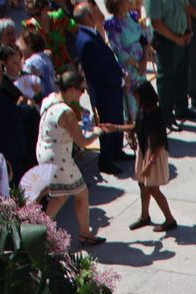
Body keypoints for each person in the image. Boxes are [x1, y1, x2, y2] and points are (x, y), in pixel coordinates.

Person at [37, 70, 105, 245]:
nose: (83, 93)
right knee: (80, 194)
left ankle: (41, 233)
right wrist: (97, 132)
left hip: (45, 153)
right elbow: (82, 141)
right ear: (72, 89)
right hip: (59, 158)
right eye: (81, 89)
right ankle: (84, 234)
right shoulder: (66, 112)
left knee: (61, 195)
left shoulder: (49, 99)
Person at [73, 2, 128, 175]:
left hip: (112, 86)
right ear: (88, 16)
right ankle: (106, 159)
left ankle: (116, 151)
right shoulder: (86, 40)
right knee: (109, 123)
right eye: (94, 12)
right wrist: (117, 81)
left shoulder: (90, 33)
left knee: (117, 120)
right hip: (106, 90)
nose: (98, 13)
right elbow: (98, 71)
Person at [125, 82, 175, 230]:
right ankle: (144, 216)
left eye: (137, 96)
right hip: (144, 150)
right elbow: (137, 127)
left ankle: (170, 220)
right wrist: (116, 128)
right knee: (142, 185)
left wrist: (148, 164)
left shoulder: (157, 114)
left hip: (154, 155)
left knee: (153, 188)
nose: (135, 99)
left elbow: (159, 144)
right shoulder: (143, 110)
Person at [102, 0, 149, 121]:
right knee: (133, 100)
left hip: (142, 62)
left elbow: (144, 37)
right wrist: (138, 65)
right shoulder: (113, 25)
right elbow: (119, 51)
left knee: (145, 97)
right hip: (130, 68)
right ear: (117, 5)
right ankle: (135, 128)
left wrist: (144, 60)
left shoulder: (132, 16)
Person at [145, 0, 191, 122]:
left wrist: (189, 30)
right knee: (166, 78)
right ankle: (166, 116)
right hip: (166, 41)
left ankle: (182, 108)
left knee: (181, 73)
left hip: (182, 35)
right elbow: (156, 22)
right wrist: (176, 39)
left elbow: (186, 7)